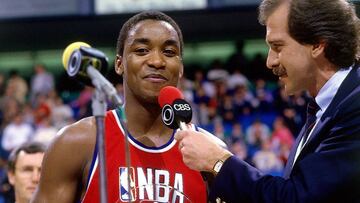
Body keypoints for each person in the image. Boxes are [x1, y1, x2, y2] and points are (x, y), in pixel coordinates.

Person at [175, 0, 360, 202]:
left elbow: (296, 198)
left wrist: (218, 160)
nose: (270, 61)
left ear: (317, 44)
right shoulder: (323, 108)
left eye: (277, 47)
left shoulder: (355, 105)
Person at [32, 11, 223, 203]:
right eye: (141, 50)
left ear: (180, 68)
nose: (157, 61)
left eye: (169, 52)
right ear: (119, 64)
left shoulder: (211, 153)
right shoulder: (76, 142)